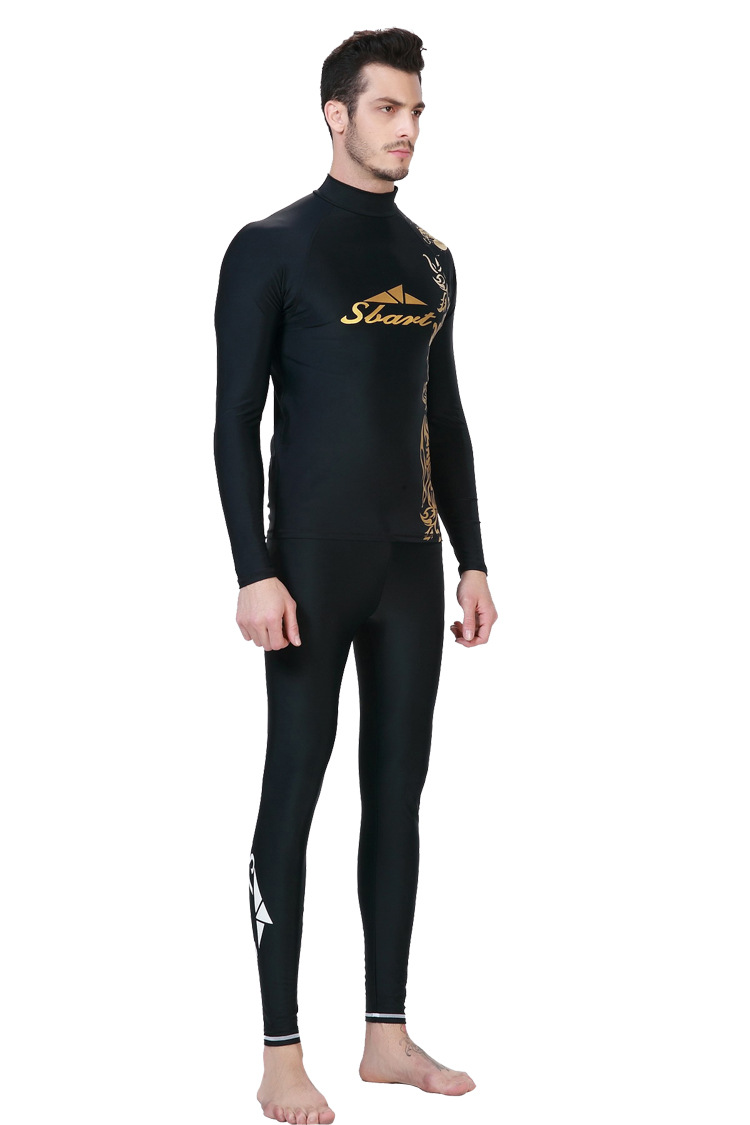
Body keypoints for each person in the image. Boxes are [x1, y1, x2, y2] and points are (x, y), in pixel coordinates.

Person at [213, 27, 498, 1124]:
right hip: (310, 568)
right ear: (337, 115)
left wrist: (474, 557)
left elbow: (446, 418)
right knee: (294, 787)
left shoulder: (433, 259)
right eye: (388, 109)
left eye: (416, 111)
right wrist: (254, 571)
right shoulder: (270, 246)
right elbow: (233, 424)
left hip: (409, 565)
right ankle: (280, 1053)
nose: (407, 129)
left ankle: (386, 1036)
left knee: (398, 794)